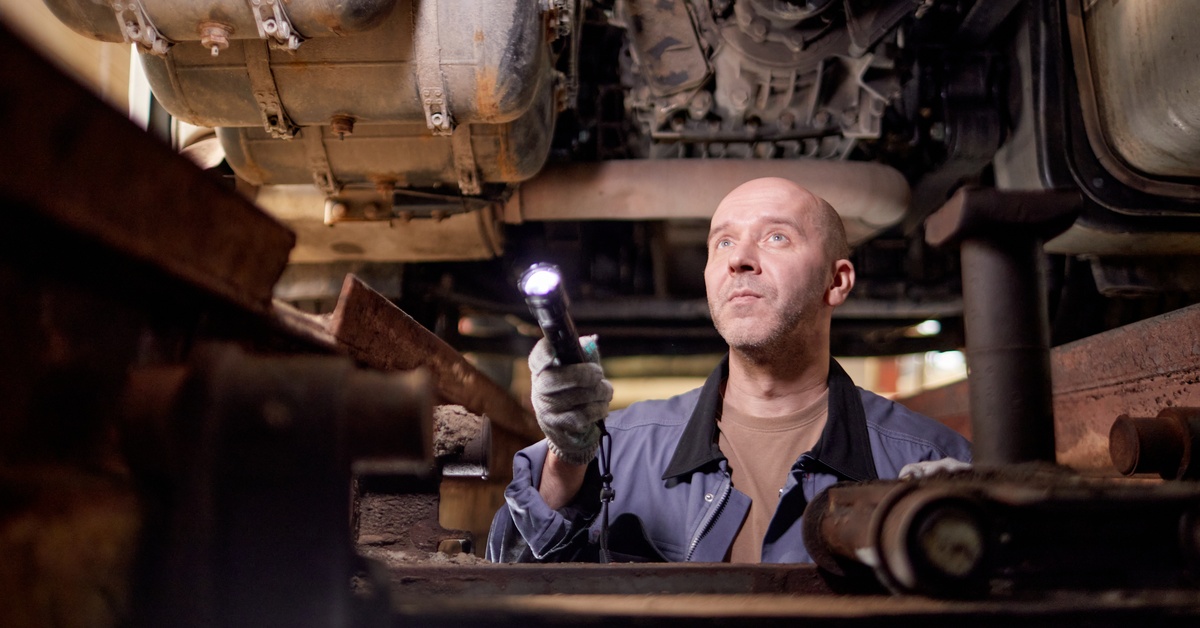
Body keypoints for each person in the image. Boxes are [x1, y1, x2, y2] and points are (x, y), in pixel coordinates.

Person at [486, 177, 972, 563]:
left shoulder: (927, 464)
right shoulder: (618, 450)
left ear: (837, 280)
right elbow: (508, 569)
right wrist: (566, 459)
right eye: (722, 243)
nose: (739, 259)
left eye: (776, 237)